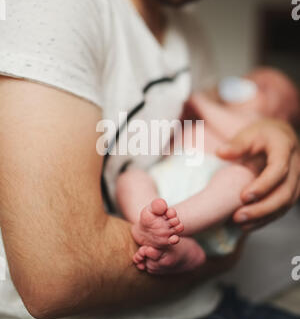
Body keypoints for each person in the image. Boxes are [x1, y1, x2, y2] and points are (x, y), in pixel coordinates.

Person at [0, 0, 299, 319]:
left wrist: (274, 130)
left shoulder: (188, 31)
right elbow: (57, 278)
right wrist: (216, 256)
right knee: (138, 183)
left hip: (216, 307)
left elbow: (209, 137)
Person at [116, 68, 300, 273]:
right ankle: (156, 231)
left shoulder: (259, 126)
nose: (249, 84)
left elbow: (241, 134)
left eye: (263, 88)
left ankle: (168, 227)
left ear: (280, 118)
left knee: (240, 178)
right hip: (164, 183)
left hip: (210, 200)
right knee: (130, 178)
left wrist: (200, 101)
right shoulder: (206, 116)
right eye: (249, 78)